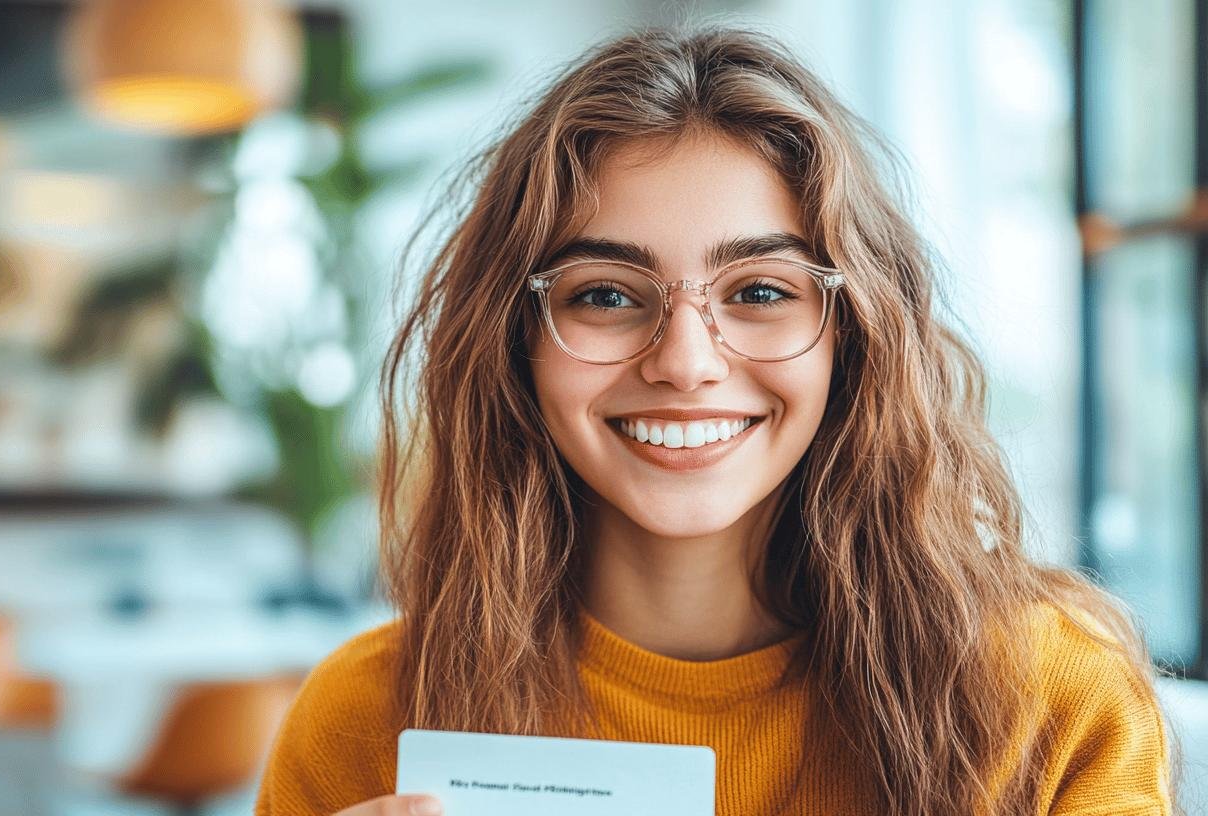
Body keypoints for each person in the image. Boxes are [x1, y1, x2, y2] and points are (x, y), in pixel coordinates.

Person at [253, 24, 1177, 816]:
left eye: (762, 290)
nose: (685, 361)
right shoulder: (366, 717)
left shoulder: (1049, 699)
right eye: (607, 294)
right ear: (515, 341)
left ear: (853, 336)